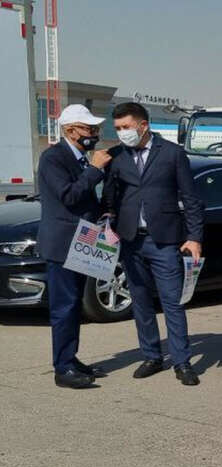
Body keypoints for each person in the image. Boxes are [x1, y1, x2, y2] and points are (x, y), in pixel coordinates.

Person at [103, 102, 204, 386]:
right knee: (141, 302)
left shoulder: (172, 153)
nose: (121, 132)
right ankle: (151, 356)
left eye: (126, 127)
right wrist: (108, 220)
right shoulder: (117, 156)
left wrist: (194, 238)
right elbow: (109, 197)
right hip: (130, 241)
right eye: (118, 128)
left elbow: (191, 199)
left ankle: (182, 362)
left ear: (143, 125)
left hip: (165, 241)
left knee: (173, 302)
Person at [36, 104, 112, 389]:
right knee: (64, 306)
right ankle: (63, 368)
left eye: (96, 128)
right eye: (89, 128)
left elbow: (86, 200)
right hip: (63, 243)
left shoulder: (80, 158)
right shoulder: (53, 158)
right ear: (70, 130)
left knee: (74, 304)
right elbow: (69, 196)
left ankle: (70, 357)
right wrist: (94, 169)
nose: (94, 133)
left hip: (83, 240)